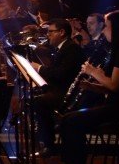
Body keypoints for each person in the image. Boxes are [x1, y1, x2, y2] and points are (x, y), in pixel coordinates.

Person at [50, 10, 119, 164]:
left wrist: (94, 72)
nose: (105, 30)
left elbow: (115, 86)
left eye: (107, 26)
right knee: (68, 119)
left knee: (72, 121)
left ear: (118, 28)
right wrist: (93, 87)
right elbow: (118, 88)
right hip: (118, 106)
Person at [30, 18, 86, 156]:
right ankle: (47, 139)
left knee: (39, 102)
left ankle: (49, 145)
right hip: (62, 89)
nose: (47, 35)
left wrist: (39, 68)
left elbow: (60, 74)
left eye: (51, 32)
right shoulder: (63, 48)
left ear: (61, 32)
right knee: (37, 96)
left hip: (68, 93)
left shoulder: (71, 48)